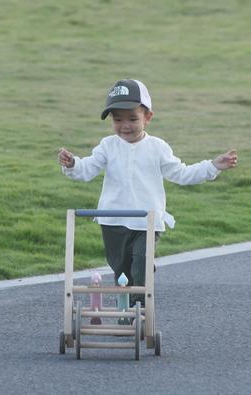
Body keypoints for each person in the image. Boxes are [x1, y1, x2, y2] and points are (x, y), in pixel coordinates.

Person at [58, 79, 237, 310]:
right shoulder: (107, 146)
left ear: (147, 117)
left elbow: (182, 173)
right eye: (117, 119)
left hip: (147, 220)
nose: (125, 125)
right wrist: (72, 164)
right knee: (121, 271)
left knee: (140, 266)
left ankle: (139, 309)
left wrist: (212, 166)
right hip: (112, 220)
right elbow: (87, 170)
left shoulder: (157, 147)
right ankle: (125, 311)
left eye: (132, 118)